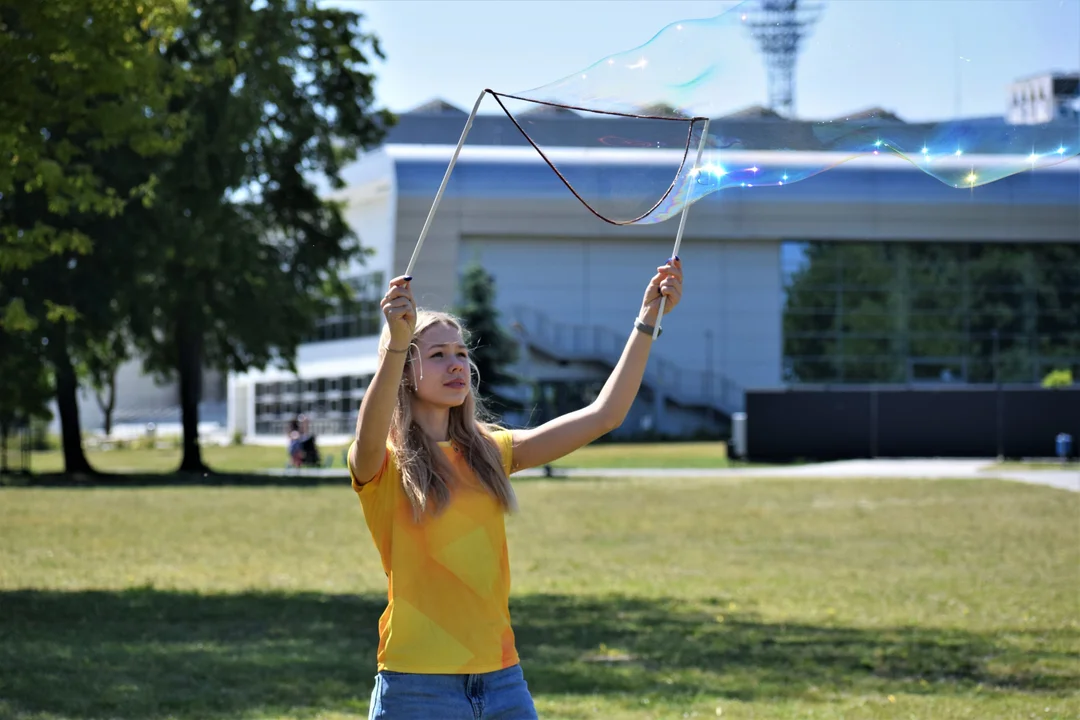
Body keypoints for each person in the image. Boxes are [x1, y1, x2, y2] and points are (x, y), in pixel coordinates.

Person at [348, 257, 684, 719]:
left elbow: (604, 415)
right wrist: (395, 345)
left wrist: (647, 321)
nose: (456, 364)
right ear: (407, 371)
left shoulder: (491, 451)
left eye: (462, 353)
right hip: (415, 687)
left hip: (503, 682)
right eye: (438, 354)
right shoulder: (383, 463)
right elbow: (370, 430)